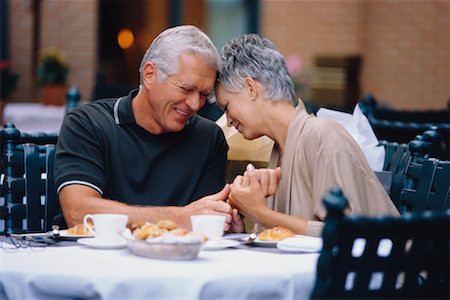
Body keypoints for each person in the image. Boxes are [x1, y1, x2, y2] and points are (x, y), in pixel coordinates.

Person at [55, 25, 244, 232]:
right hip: (96, 260)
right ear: (149, 74)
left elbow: (206, 223)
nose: (195, 104)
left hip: (178, 262)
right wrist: (179, 218)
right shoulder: (87, 124)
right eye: (187, 89)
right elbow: (79, 214)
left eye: (203, 94)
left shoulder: (209, 139)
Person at [216, 34, 399, 237]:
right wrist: (240, 230)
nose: (229, 121)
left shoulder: (324, 136)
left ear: (251, 88)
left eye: (227, 107)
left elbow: (345, 235)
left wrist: (259, 213)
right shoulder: (280, 148)